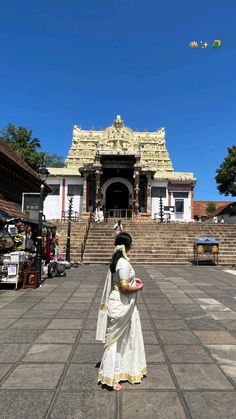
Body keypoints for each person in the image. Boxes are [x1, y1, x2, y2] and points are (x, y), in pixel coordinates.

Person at [96, 232, 147, 391]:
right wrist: (138, 287)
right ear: (127, 245)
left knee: (122, 338)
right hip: (121, 303)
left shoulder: (116, 261)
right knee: (115, 340)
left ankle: (123, 370)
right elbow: (125, 288)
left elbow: (121, 282)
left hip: (119, 302)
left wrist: (133, 280)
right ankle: (110, 376)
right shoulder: (123, 263)